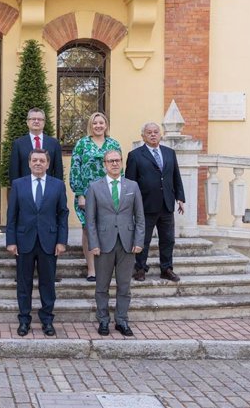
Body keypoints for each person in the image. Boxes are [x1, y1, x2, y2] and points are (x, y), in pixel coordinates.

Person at [6, 149, 69, 337]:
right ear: (29, 163)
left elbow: (62, 215)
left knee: (47, 283)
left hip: (49, 241)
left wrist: (61, 241)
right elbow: (12, 215)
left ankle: (47, 320)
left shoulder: (57, 185)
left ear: (48, 164)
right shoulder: (18, 184)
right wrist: (11, 241)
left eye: (42, 160)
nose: (38, 163)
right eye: (35, 160)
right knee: (24, 284)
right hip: (24, 240)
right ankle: (24, 320)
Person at [85, 149, 144, 337]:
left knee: (124, 285)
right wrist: (93, 243)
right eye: (110, 161)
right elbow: (90, 219)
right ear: (104, 164)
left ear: (122, 163)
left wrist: (139, 240)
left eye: (117, 160)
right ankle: (103, 320)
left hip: (127, 243)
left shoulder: (133, 186)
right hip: (103, 243)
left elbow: (140, 217)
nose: (114, 164)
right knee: (101, 286)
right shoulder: (95, 187)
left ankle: (121, 320)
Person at [125, 122, 185, 282]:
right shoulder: (135, 155)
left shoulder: (169, 153)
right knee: (143, 239)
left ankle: (166, 268)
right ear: (143, 136)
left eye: (156, 132)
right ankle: (140, 269)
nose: (153, 134)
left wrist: (180, 198)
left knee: (168, 239)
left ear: (160, 134)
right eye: (149, 132)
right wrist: (131, 204)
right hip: (145, 205)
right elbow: (130, 182)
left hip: (167, 204)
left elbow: (175, 176)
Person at [69, 112, 122, 282]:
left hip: (109, 193)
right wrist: (79, 194)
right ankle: (91, 268)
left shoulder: (113, 143)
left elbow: (119, 167)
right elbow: (75, 168)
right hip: (87, 193)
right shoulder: (82, 144)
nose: (98, 126)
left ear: (106, 125)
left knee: (107, 228)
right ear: (90, 125)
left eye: (101, 123)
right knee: (88, 229)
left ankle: (105, 268)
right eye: (95, 123)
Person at [9, 107, 63, 184]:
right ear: (27, 122)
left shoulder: (54, 143)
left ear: (44, 122)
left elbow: (58, 171)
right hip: (25, 189)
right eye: (33, 119)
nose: (36, 121)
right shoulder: (18, 144)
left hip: (48, 190)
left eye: (40, 119)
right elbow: (14, 171)